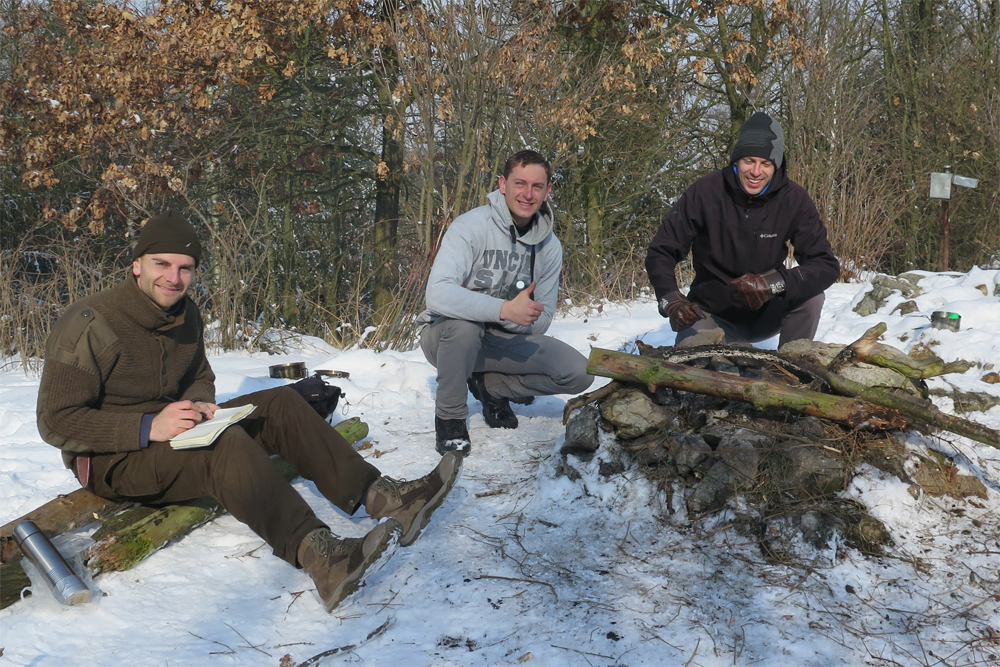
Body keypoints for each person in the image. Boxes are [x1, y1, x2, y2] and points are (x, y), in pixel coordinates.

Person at [36, 211, 462, 613]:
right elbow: (55, 421)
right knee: (224, 446)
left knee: (279, 402)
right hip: (111, 458)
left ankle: (384, 497)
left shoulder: (186, 316)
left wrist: (202, 399)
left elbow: (199, 373)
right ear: (136, 265)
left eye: (185, 268)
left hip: (176, 429)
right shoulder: (91, 323)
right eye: (160, 264)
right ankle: (323, 558)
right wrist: (148, 425)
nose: (173, 277)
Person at [418, 150, 594, 455]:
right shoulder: (470, 227)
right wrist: (502, 309)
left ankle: (493, 388)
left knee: (579, 372)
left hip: (502, 340)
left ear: (548, 191)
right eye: (519, 183)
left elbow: (544, 317)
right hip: (446, 338)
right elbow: (437, 293)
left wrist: (517, 316)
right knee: (464, 327)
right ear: (502, 184)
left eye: (537, 186)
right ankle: (450, 418)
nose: (527, 194)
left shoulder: (550, 247)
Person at [645, 112, 840, 349]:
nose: (756, 172)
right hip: (711, 315)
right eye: (749, 160)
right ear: (736, 160)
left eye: (765, 164)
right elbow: (661, 252)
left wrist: (774, 283)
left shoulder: (794, 199)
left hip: (768, 313)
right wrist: (670, 299)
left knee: (812, 298)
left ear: (776, 166)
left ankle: (792, 367)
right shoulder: (704, 192)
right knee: (689, 367)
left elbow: (826, 265)